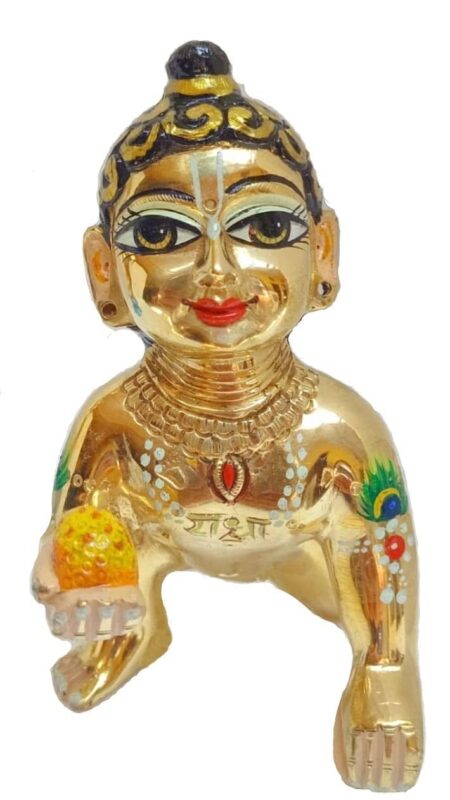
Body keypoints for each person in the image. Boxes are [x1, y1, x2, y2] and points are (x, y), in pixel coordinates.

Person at [31, 40, 423, 791]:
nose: (218, 272)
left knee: (356, 588)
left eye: (265, 228)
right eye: (160, 235)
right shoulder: (114, 421)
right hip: (165, 540)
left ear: (324, 253)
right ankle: (138, 632)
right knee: (117, 559)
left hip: (301, 556)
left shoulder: (339, 430)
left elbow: (385, 545)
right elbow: (71, 529)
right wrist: (78, 575)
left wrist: (384, 666)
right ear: (105, 274)